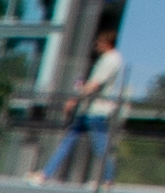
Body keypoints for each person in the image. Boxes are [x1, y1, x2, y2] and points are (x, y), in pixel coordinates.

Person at [43, 30, 125, 184]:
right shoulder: (109, 59)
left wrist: (75, 99)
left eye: (99, 42)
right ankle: (45, 174)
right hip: (90, 110)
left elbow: (95, 84)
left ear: (107, 43)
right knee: (70, 140)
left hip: (97, 111)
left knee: (100, 146)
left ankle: (108, 179)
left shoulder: (111, 60)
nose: (96, 45)